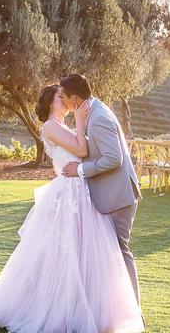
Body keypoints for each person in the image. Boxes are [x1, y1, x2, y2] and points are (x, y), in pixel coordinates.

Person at [0, 82, 144, 333]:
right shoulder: (50, 126)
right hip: (69, 193)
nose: (65, 101)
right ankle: (56, 310)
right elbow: (82, 150)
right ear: (50, 103)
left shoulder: (64, 125)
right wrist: (80, 122)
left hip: (81, 193)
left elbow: (89, 151)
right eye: (60, 97)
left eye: (65, 96)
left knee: (83, 253)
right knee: (62, 252)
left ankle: (91, 308)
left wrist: (79, 126)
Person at [57, 73, 142, 304]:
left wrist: (80, 169)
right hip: (113, 193)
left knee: (120, 252)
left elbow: (114, 159)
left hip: (118, 195)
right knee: (112, 254)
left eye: (63, 97)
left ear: (74, 99)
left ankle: (134, 310)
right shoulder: (93, 112)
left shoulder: (99, 118)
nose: (62, 101)